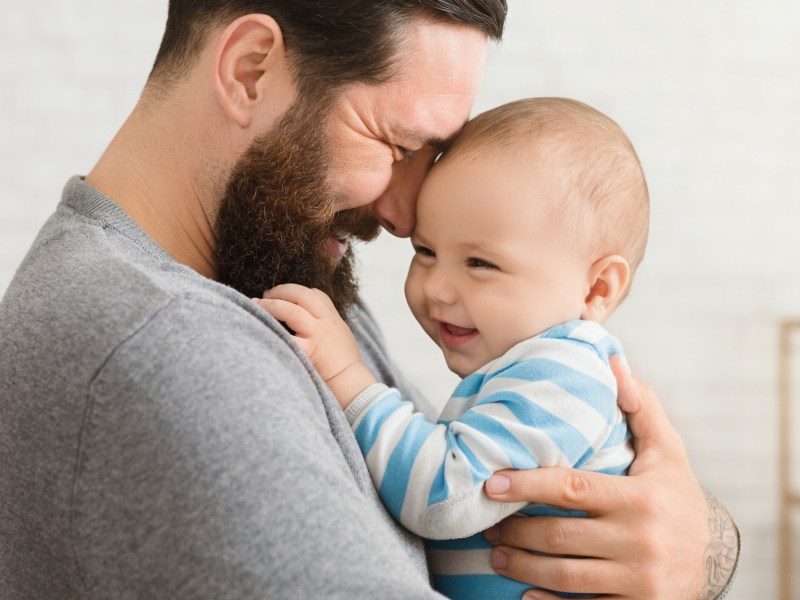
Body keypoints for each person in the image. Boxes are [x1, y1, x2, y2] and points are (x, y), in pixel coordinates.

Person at [0, 2, 738, 599]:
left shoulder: (278, 280)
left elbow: (445, 471)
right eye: (396, 144)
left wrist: (693, 544)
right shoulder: (169, 345)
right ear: (251, 70)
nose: (408, 212)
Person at [257, 97, 645, 598]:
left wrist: (348, 378)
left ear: (596, 290)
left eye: (480, 263)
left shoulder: (565, 376)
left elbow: (445, 495)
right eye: (426, 251)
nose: (437, 287)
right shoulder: (529, 370)